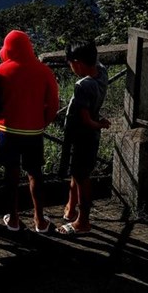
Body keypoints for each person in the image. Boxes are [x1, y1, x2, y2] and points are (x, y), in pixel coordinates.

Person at [0, 30, 59, 233]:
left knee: (10, 174)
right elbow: (54, 104)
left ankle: (13, 219)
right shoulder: (44, 71)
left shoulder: (0, 71)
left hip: (6, 129)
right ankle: (39, 219)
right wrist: (42, 122)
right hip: (33, 131)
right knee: (35, 174)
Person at [57, 40, 110, 237]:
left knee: (82, 177)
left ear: (77, 62)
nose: (71, 68)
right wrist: (99, 122)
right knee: (78, 172)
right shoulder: (101, 71)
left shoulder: (83, 85)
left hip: (82, 135)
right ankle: (71, 208)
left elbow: (85, 120)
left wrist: (100, 123)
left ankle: (83, 221)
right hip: (91, 136)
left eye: (70, 64)